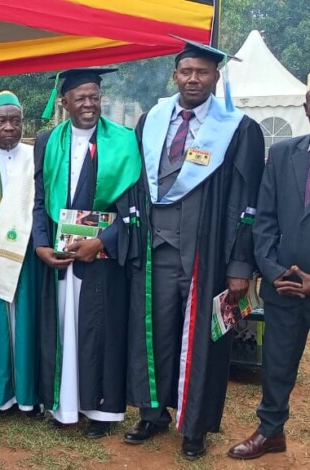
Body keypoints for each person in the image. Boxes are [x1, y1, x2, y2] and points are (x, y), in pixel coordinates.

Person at [123, 38, 264, 459]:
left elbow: (249, 204)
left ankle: (195, 425)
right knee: (154, 333)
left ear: (216, 77)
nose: (193, 78)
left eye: (202, 71)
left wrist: (240, 264)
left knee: (203, 340)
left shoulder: (239, 130)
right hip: (157, 251)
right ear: (175, 75)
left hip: (209, 254)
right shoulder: (150, 120)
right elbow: (135, 184)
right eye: (186, 71)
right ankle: (152, 414)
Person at [32, 69, 142, 438]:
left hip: (102, 259)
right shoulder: (48, 141)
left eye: (94, 96)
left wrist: (104, 241)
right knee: (64, 329)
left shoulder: (123, 142)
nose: (89, 104)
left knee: (99, 330)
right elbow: (39, 199)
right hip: (60, 255)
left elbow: (135, 207)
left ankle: (100, 411)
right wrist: (41, 244)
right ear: (64, 102)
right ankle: (65, 407)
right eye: (80, 97)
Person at [227, 90, 310, 460]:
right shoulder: (282, 154)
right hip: (285, 284)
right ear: (307, 107)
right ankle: (271, 431)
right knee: (277, 363)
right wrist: (273, 271)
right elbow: (263, 220)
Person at [0, 91, 42, 418]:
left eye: (15, 121)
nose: (9, 128)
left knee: (28, 322)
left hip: (28, 255)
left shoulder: (35, 157)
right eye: (1, 121)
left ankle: (29, 396)